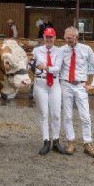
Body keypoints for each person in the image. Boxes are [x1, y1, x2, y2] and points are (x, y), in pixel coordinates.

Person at [60, 26, 94, 158]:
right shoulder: (62, 50)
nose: (67, 40)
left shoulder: (86, 49)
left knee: (85, 116)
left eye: (69, 38)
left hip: (80, 86)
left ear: (76, 37)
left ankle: (87, 143)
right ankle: (70, 142)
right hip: (66, 85)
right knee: (67, 115)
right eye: (65, 37)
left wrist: (93, 84)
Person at [32, 27, 66, 155]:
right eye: (47, 37)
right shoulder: (36, 50)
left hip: (54, 84)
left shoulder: (59, 51)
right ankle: (46, 141)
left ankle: (56, 141)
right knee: (44, 114)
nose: (49, 39)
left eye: (51, 37)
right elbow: (32, 64)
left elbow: (57, 68)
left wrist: (45, 67)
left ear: (55, 38)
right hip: (40, 83)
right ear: (44, 38)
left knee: (56, 114)